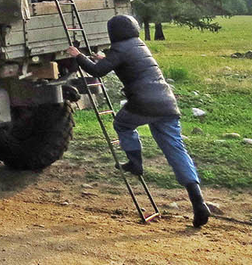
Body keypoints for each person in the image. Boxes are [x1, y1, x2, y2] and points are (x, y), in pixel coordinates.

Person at [67, 14, 211, 227]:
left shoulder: (119, 49)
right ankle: (198, 202)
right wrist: (104, 59)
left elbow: (96, 71)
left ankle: (135, 163)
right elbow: (125, 63)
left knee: (122, 124)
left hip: (144, 101)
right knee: (176, 150)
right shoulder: (139, 45)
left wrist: (77, 55)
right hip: (167, 103)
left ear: (113, 32)